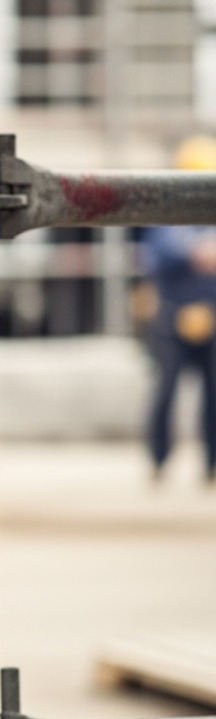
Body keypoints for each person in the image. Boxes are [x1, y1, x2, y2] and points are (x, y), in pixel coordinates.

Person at [141, 136, 216, 485]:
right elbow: (161, 254)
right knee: (165, 390)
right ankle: (158, 459)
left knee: (214, 394)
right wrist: (195, 253)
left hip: (212, 313)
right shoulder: (167, 211)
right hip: (172, 315)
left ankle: (212, 464)